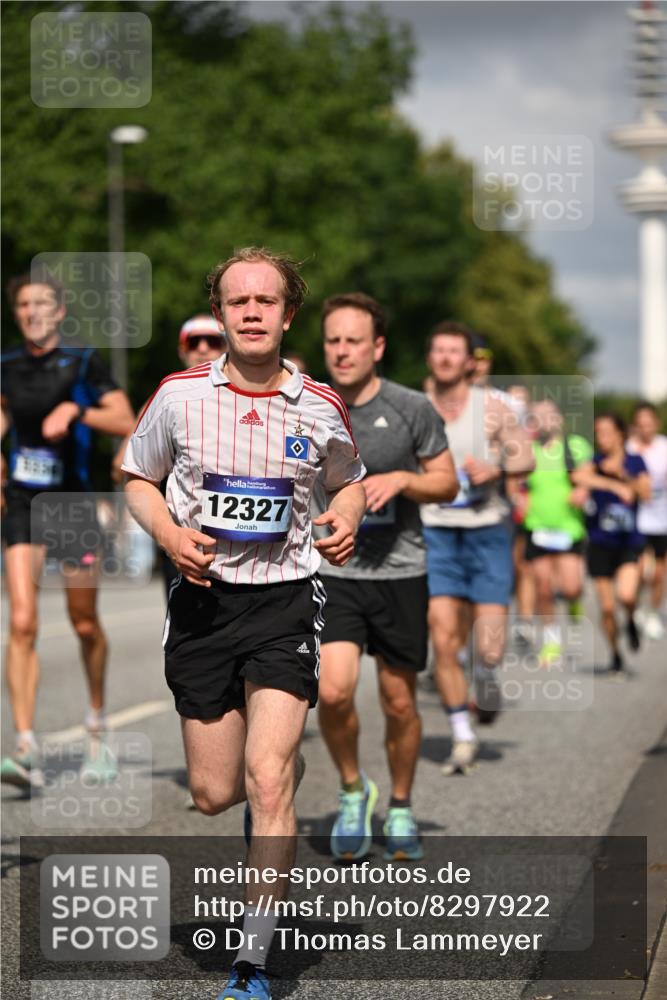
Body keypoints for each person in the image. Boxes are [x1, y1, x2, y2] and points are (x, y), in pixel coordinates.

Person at [121, 247, 366, 1000]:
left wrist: (344, 519)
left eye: (266, 301)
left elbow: (348, 483)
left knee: (264, 781)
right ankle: (277, 773)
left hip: (284, 601)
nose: (252, 312)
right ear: (222, 314)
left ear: (289, 314)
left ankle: (252, 965)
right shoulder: (178, 396)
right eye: (237, 302)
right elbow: (137, 476)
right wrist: (168, 534)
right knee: (212, 791)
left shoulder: (319, 405)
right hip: (202, 604)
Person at [315, 292, 456, 862]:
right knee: (332, 689)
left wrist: (402, 479)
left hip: (401, 570)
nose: (342, 351)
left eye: (354, 341)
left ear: (377, 347)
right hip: (334, 568)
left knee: (399, 702)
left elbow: (447, 482)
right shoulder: (307, 406)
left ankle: (399, 803)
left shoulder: (411, 407)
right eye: (333, 340)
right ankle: (353, 791)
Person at [1, 271, 135, 788]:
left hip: (74, 503)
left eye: (42, 304)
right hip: (23, 501)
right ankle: (25, 745)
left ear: (59, 312)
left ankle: (97, 727)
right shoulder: (6, 366)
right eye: (24, 305)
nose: (33, 312)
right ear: (17, 314)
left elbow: (124, 418)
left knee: (83, 622)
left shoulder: (82, 362)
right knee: (22, 621)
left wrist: (76, 409)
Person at [421, 322, 534, 774]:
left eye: (456, 351)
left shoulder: (493, 406)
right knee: (444, 639)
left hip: (487, 530)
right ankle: (462, 734)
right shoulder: (416, 407)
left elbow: (524, 456)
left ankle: (485, 676)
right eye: (440, 350)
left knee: (488, 647)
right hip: (436, 532)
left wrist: (497, 467)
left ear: (470, 361)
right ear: (431, 357)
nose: (447, 358)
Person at [112, 312, 226, 595]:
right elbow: (121, 467)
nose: (202, 349)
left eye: (211, 341)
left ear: (226, 346)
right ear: (181, 350)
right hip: (185, 542)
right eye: (193, 342)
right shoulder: (164, 400)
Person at [574, 413, 651, 674]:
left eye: (607, 432)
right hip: (599, 543)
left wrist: (624, 477)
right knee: (607, 608)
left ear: (620, 434)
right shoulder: (595, 462)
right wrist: (611, 483)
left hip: (628, 542)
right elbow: (579, 478)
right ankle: (616, 655)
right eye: (598, 432)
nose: (602, 438)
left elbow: (645, 492)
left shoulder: (635, 461)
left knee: (626, 595)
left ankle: (630, 619)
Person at [521, 399, 591, 664]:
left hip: (567, 528)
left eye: (548, 415)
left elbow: (587, 475)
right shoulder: (528, 450)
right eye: (537, 416)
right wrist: (520, 497)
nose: (543, 420)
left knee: (571, 587)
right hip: (537, 526)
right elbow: (520, 482)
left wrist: (583, 490)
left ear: (559, 419)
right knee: (543, 587)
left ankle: (573, 601)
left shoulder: (574, 447)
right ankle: (551, 642)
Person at [628, 402, 667, 640]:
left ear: (656, 424)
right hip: (639, 520)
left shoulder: (664, 446)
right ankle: (636, 606)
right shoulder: (629, 449)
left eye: (649, 423)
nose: (645, 428)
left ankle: (652, 612)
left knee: (660, 574)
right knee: (643, 571)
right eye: (640, 424)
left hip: (663, 519)